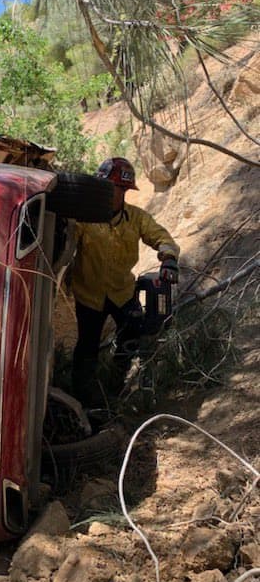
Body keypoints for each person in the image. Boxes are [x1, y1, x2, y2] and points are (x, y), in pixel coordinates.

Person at [70, 157, 179, 404]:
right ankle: (83, 400)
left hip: (122, 292)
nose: (111, 194)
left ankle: (115, 385)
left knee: (131, 337)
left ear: (125, 192)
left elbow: (162, 237)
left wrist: (169, 258)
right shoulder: (83, 219)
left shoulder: (137, 218)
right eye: (108, 187)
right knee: (87, 347)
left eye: (118, 189)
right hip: (89, 295)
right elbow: (65, 245)